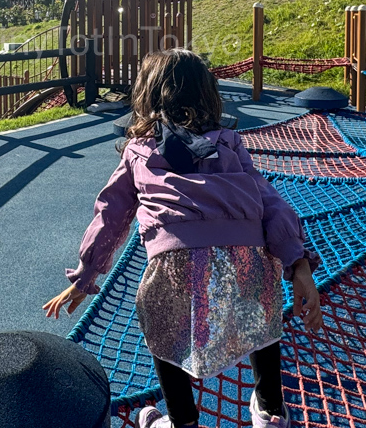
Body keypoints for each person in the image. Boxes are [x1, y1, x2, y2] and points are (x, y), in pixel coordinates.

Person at [44, 49, 323, 428]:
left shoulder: (138, 151)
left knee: (162, 329)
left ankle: (182, 421)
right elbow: (269, 201)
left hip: (173, 261)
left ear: (147, 98)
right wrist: (298, 264)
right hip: (248, 254)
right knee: (262, 316)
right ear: (208, 96)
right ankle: (271, 411)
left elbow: (109, 213)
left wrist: (86, 276)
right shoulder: (229, 143)